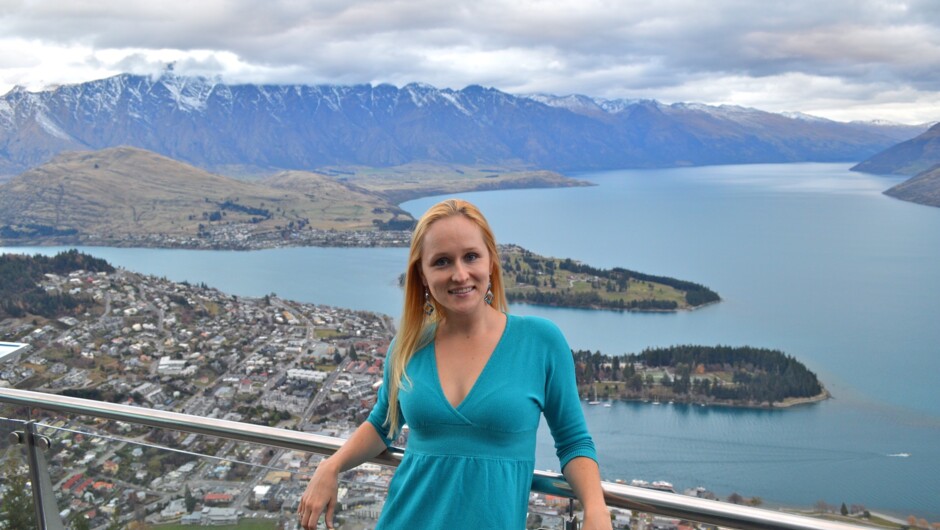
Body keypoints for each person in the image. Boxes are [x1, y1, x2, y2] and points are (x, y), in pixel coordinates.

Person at [298, 198, 611, 530]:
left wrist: (595, 508)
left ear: (491, 261)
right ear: (422, 274)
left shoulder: (540, 342)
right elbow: (382, 424)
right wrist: (331, 466)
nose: (460, 274)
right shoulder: (407, 347)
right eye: (442, 261)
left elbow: (573, 440)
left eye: (471, 256)